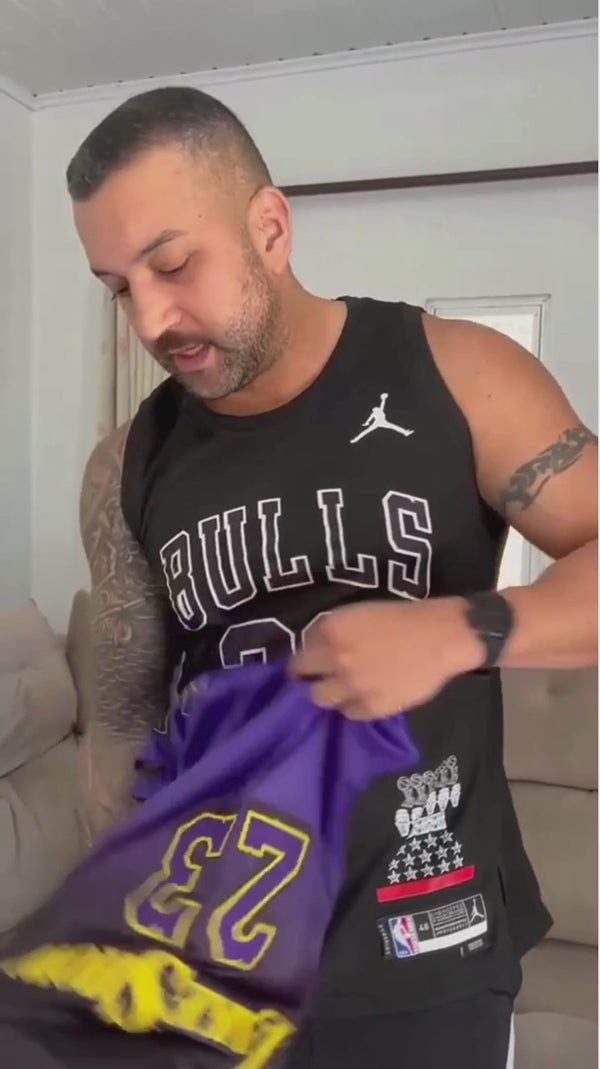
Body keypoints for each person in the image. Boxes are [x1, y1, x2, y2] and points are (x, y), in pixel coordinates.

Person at [68, 86, 597, 1068]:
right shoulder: (126, 464)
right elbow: (126, 710)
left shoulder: (458, 372)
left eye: (173, 265)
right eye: (118, 287)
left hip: (429, 945)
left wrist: (460, 630)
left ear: (270, 228)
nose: (151, 318)